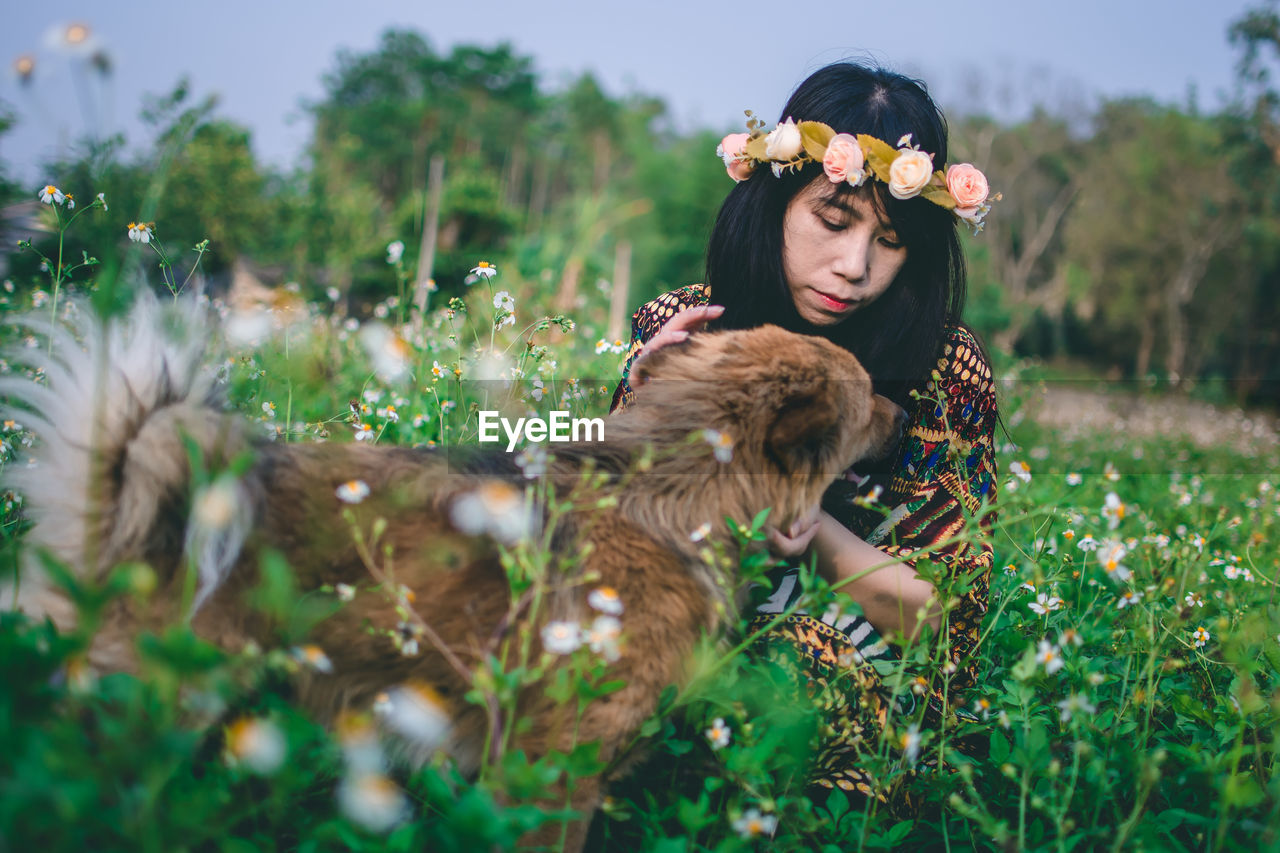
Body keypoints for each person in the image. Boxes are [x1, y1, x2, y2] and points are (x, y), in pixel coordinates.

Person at [609, 62, 999, 809]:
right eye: (832, 220)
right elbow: (603, 524)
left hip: (853, 652)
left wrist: (805, 525)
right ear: (774, 201)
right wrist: (640, 407)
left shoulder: (943, 368)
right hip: (685, 617)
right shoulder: (685, 327)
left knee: (779, 672)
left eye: (889, 241)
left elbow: (942, 621)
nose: (854, 267)